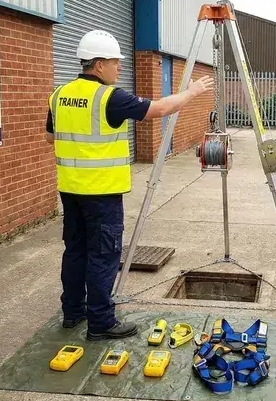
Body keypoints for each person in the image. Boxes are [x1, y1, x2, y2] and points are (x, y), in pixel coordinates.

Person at [45, 30, 213, 338]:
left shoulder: (59, 95)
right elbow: (159, 110)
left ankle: (73, 312)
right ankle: (101, 322)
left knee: (76, 251)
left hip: (70, 190)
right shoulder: (110, 97)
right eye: (114, 62)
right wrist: (191, 92)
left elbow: (51, 136)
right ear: (98, 65)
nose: (119, 67)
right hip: (101, 193)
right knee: (104, 255)